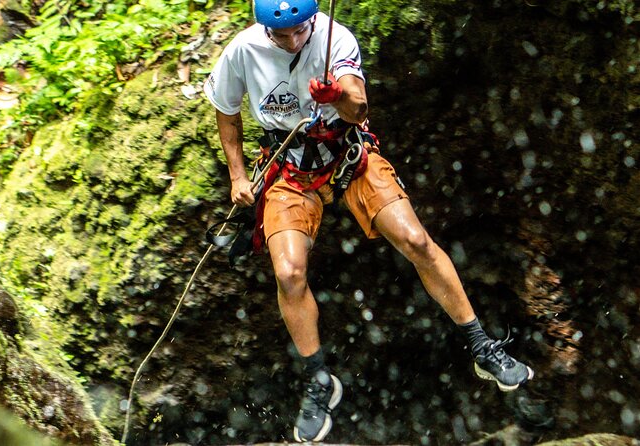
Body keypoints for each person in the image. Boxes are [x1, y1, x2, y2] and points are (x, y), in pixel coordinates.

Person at [203, 0, 534, 442]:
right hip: (289, 171)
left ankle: (481, 344)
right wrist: (238, 174)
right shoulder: (242, 50)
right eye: (279, 35)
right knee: (288, 272)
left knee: (416, 240)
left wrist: (335, 96)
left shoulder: (335, 37)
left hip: (348, 156)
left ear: (311, 20)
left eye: (299, 31)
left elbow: (358, 107)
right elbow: (226, 111)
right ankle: (318, 378)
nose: (291, 41)